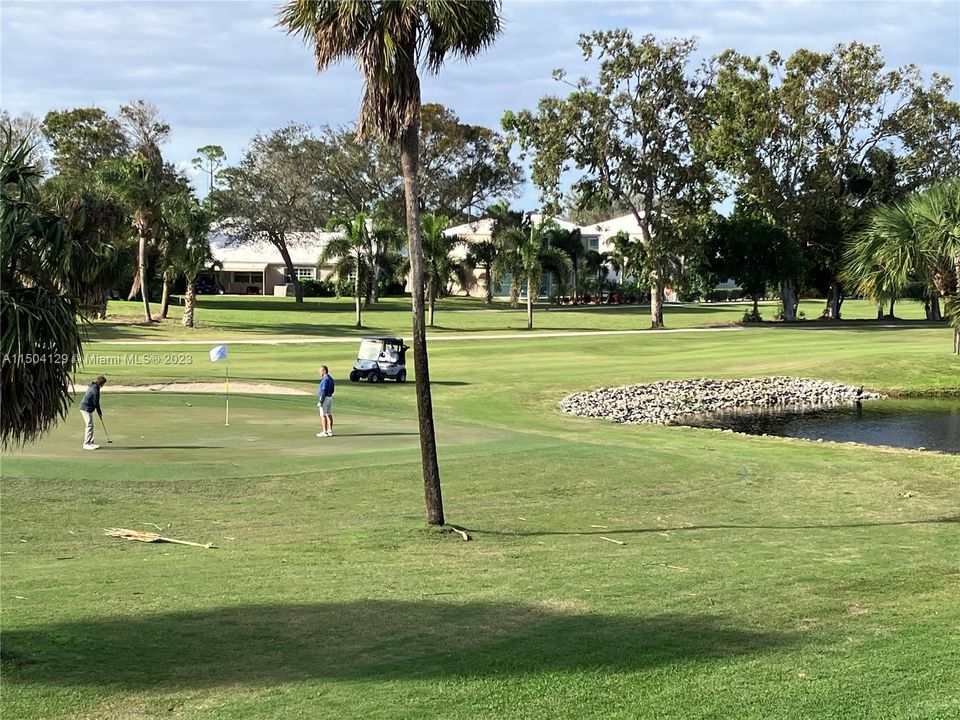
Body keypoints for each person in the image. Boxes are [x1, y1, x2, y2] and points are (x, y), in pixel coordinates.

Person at [79, 375, 107, 450]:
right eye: (104, 384)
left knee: (91, 425)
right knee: (89, 425)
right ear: (101, 384)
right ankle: (86, 444)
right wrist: (99, 412)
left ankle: (91, 442)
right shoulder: (95, 390)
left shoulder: (94, 386)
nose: (104, 385)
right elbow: (96, 403)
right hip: (85, 408)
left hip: (87, 408)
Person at [316, 365, 335, 438]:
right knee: (328, 414)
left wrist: (321, 401)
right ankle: (330, 430)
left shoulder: (325, 379)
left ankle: (325, 431)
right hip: (329, 398)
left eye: (320, 371)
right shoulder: (330, 379)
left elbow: (323, 391)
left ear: (324, 371)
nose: (319, 373)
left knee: (323, 415)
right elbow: (332, 390)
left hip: (324, 398)